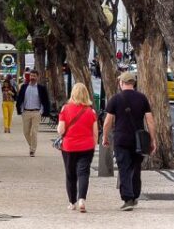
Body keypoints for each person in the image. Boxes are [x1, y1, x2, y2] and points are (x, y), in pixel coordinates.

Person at [102, 72, 156, 211]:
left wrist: (105, 137)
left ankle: (128, 198)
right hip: (139, 141)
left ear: (121, 83)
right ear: (133, 83)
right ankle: (135, 195)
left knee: (124, 168)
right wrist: (152, 139)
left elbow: (108, 121)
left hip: (121, 139)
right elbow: (150, 120)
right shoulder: (142, 98)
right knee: (136, 168)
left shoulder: (115, 99)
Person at [59, 84, 98, 213]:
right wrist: (94, 144)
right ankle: (82, 199)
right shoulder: (91, 111)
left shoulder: (65, 109)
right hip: (87, 146)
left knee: (70, 174)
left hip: (69, 147)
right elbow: (95, 132)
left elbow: (61, 130)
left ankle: (72, 202)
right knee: (83, 173)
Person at [16, 69, 51, 157]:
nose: (32, 78)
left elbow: (45, 100)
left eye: (34, 76)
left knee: (34, 132)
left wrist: (42, 111)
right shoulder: (24, 87)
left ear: (37, 77)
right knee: (26, 132)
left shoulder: (41, 88)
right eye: (31, 76)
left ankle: (32, 150)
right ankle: (32, 145)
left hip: (36, 112)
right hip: (26, 112)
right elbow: (20, 98)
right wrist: (20, 109)